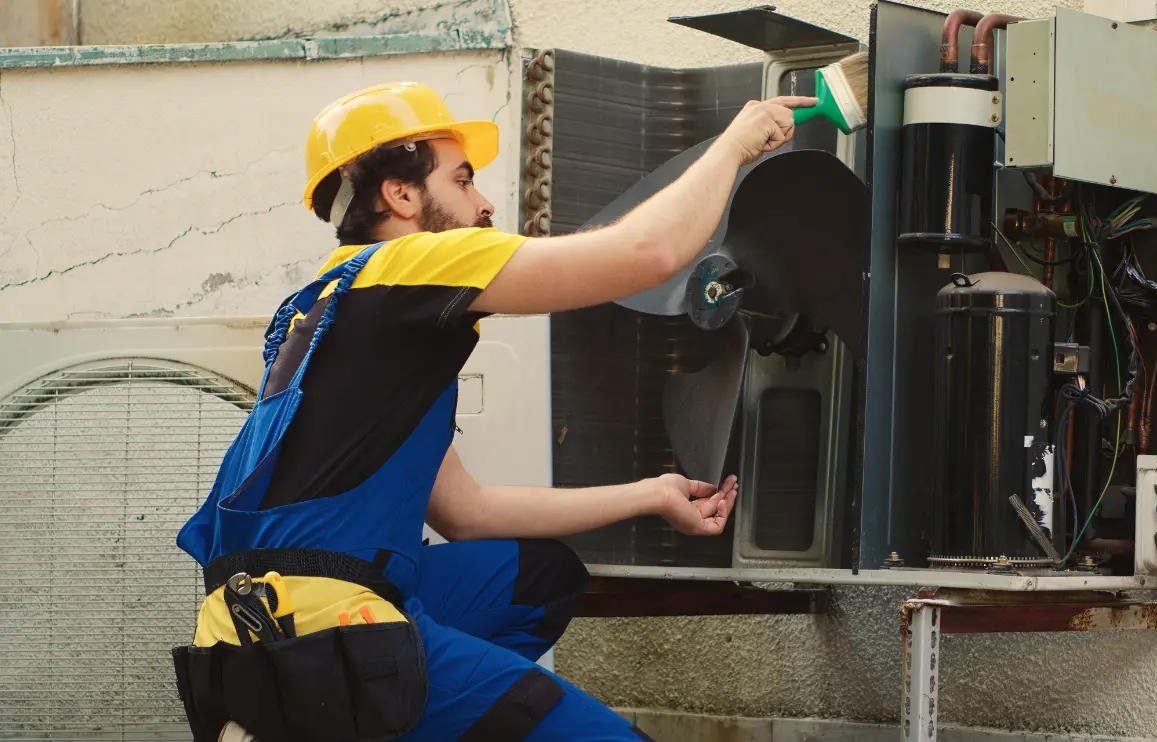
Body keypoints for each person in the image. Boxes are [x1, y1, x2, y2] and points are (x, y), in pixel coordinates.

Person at [170, 81, 816, 742]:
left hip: (243, 641)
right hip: (327, 634)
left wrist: (651, 494)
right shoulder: (413, 264)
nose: (483, 204)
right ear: (401, 194)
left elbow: (466, 512)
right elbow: (648, 255)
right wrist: (737, 144)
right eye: (463, 178)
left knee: (538, 577)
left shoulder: (331, 306)